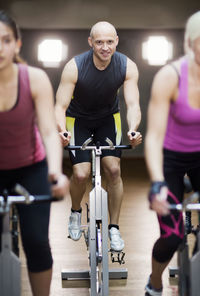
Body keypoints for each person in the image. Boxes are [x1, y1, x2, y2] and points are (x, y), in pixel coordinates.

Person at [55, 21, 142, 251]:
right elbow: (60, 105)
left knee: (113, 170)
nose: (105, 47)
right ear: (90, 42)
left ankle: (114, 227)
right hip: (78, 120)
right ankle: (75, 212)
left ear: (117, 42)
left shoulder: (127, 66)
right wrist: (61, 130)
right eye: (100, 42)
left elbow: (132, 104)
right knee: (81, 175)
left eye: (110, 42)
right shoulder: (74, 66)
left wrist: (133, 128)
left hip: (107, 119)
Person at [0, 10, 69, 296]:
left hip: (32, 168)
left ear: (17, 44)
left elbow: (50, 132)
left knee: (37, 241)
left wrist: (55, 173)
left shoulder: (35, 79)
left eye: (5, 40)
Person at [144, 11, 200, 296]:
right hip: (171, 158)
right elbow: (153, 136)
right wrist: (157, 182)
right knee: (172, 236)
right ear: (191, 44)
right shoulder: (171, 76)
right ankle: (155, 282)